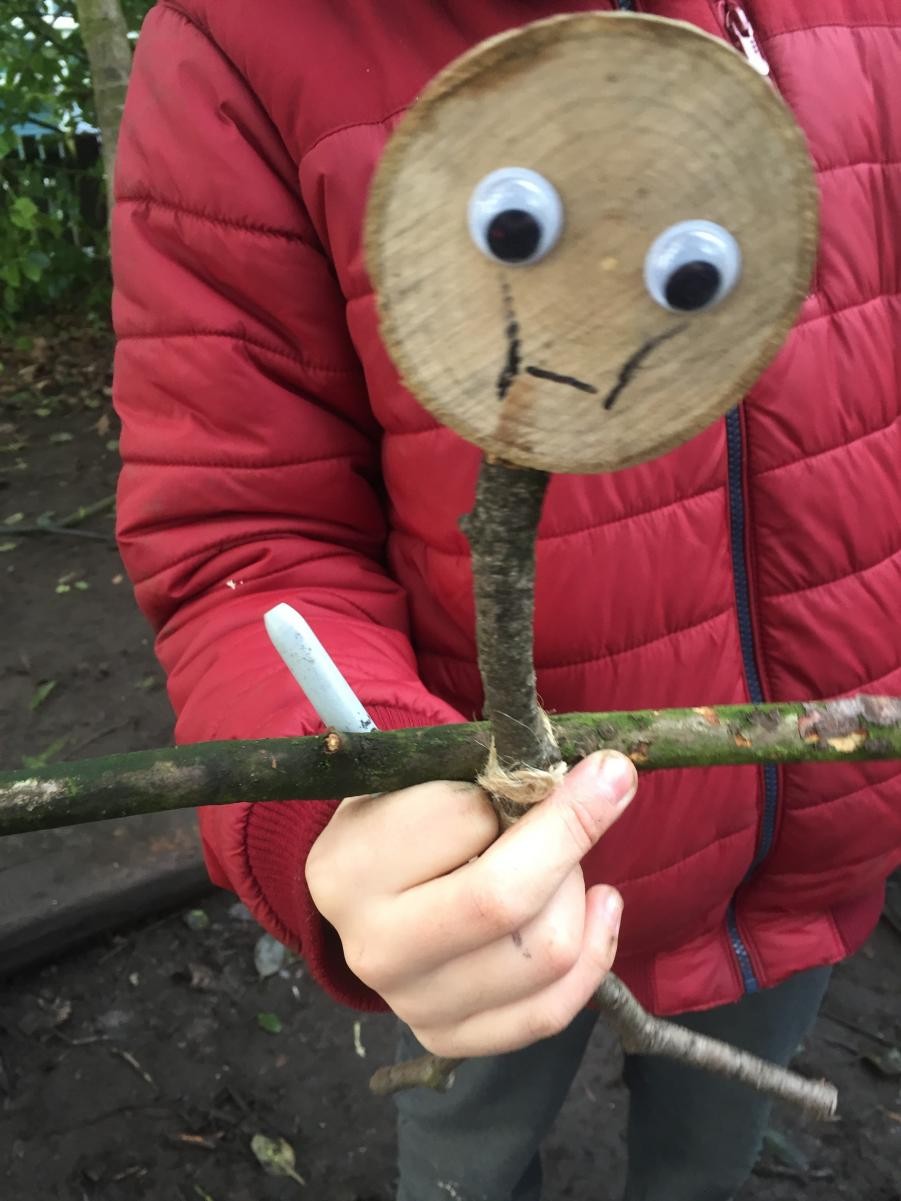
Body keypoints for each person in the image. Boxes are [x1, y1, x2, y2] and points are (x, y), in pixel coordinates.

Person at [111, 2, 901, 1198]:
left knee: (709, 1157)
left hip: (820, 845)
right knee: (469, 1153)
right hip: (485, 885)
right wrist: (343, 796)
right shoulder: (240, 40)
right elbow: (243, 534)